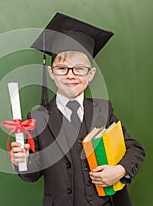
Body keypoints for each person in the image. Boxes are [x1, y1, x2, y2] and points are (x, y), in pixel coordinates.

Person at [10, 12, 145, 206]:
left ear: (90, 74)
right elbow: (32, 175)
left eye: (79, 68)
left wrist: (120, 171)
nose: (71, 75)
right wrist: (21, 162)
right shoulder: (38, 117)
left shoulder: (102, 110)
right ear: (51, 73)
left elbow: (135, 149)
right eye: (62, 68)